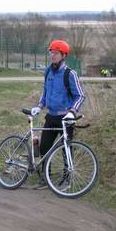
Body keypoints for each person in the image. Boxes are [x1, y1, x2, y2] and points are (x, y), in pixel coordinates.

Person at [29, 39, 86, 189]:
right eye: (51, 53)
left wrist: (73, 112)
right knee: (45, 147)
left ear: (64, 56)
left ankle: (67, 179)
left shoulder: (70, 74)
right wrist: (39, 106)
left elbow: (80, 95)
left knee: (66, 148)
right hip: (51, 116)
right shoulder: (48, 71)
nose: (52, 56)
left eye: (56, 53)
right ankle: (45, 179)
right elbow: (46, 92)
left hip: (65, 118)